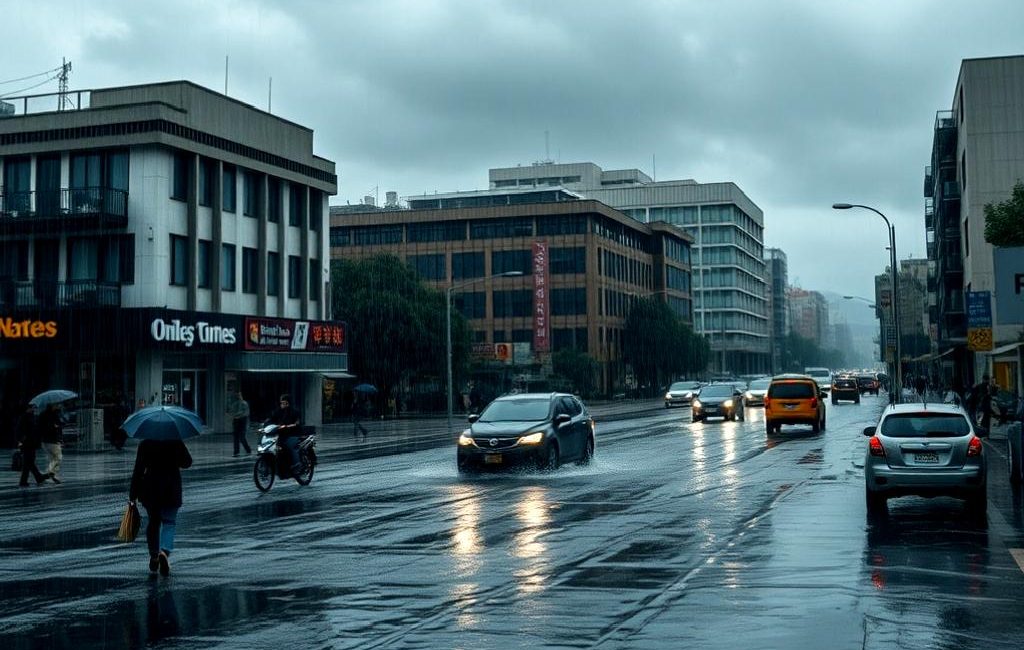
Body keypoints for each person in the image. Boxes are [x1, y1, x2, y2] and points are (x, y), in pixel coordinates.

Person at [129, 438, 193, 576]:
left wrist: (133, 494)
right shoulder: (174, 440)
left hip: (151, 488)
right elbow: (187, 462)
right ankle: (164, 551)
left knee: (153, 522)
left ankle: (154, 555)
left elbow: (138, 469)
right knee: (169, 522)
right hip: (171, 487)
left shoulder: (146, 443)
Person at [267, 394, 303, 474]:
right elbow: (271, 419)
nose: (282, 405)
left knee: (291, 446)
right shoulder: (278, 412)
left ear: (288, 403)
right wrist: (265, 425)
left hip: (293, 434)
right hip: (281, 434)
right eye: (281, 403)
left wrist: (290, 425)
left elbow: (297, 422)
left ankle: (297, 464)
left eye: (284, 403)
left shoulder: (295, 412)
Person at [16, 404, 46, 487]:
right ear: (28, 408)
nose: (34, 409)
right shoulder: (25, 417)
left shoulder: (31, 417)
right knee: (29, 462)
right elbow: (20, 430)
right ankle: (36, 478)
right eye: (33, 408)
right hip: (27, 443)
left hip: (31, 443)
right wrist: (22, 439)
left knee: (29, 462)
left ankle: (32, 479)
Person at [38, 403, 64, 484]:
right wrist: (55, 426)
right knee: (58, 457)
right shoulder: (51, 415)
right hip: (51, 439)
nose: (59, 405)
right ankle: (50, 472)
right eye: (57, 404)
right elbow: (52, 426)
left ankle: (53, 475)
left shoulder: (43, 414)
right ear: (52, 405)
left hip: (45, 440)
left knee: (52, 458)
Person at [231, 392, 252, 456]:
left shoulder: (244, 404)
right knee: (236, 437)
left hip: (242, 421)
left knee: (242, 437)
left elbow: (246, 413)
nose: (239, 397)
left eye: (239, 395)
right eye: (237, 396)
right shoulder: (235, 404)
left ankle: (247, 449)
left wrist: (237, 415)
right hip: (236, 421)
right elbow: (232, 412)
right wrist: (236, 416)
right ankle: (236, 452)